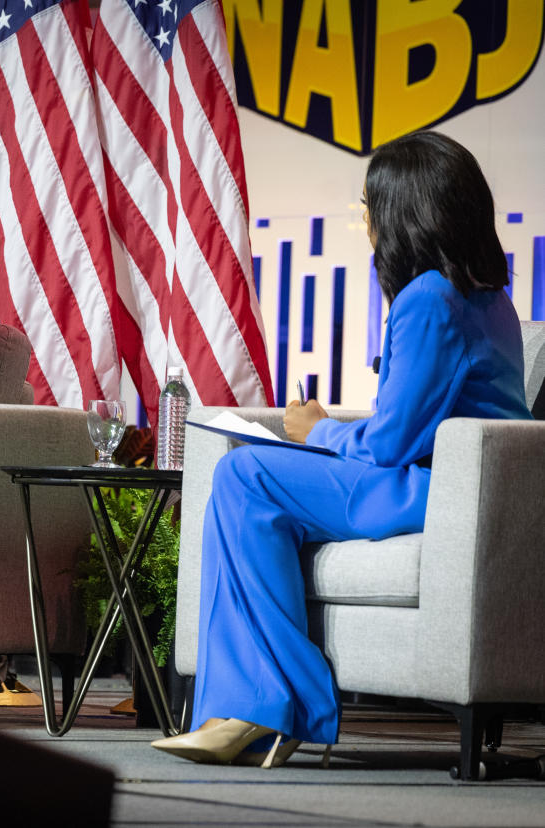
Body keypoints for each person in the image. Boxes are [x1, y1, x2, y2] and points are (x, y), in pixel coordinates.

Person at [152, 131, 533, 767]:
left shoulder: (428, 298)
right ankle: (260, 705)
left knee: (245, 474)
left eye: (369, 204)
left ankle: (262, 708)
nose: (364, 219)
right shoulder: (487, 296)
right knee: (251, 484)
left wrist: (316, 431)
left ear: (406, 210)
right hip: (454, 488)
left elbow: (390, 445)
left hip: (430, 491)